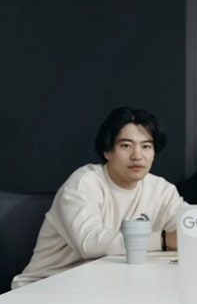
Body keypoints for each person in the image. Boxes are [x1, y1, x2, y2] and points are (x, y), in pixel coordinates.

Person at [12, 107, 185, 288]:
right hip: (45, 287)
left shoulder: (161, 189)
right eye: (126, 145)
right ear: (107, 151)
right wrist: (165, 240)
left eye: (146, 146)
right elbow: (89, 243)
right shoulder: (84, 183)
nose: (137, 155)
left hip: (103, 287)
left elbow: (190, 227)